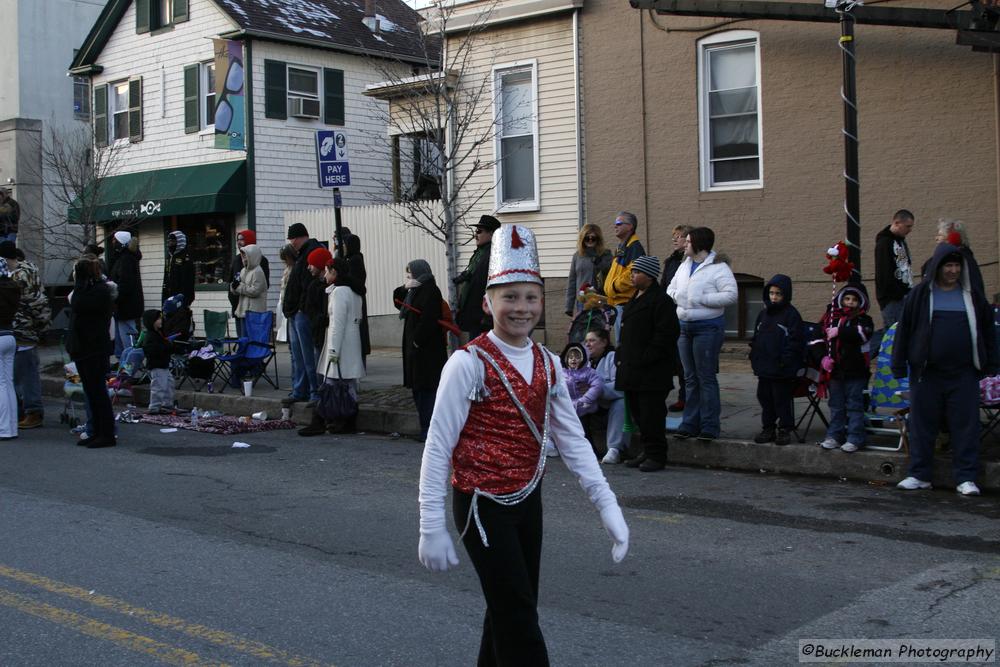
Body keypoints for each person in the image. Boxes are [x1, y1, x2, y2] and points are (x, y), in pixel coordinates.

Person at [418, 224, 629, 665]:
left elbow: (572, 440)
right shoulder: (467, 364)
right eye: (509, 296)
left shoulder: (549, 363)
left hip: (528, 500)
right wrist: (430, 523)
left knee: (510, 610)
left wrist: (607, 505)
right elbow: (438, 445)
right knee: (519, 620)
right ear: (487, 302)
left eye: (530, 296)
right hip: (481, 504)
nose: (521, 307)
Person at [892, 244, 997, 496]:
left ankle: (966, 477)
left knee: (966, 426)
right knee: (921, 424)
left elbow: (988, 332)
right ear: (937, 267)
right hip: (926, 373)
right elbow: (904, 331)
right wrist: (898, 363)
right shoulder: (919, 295)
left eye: (956, 266)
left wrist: (991, 363)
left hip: (964, 374)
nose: (952, 271)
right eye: (948, 266)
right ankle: (919, 474)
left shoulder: (972, 296)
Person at [667, 227, 737, 441]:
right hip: (684, 326)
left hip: (708, 326)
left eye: (688, 241)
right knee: (689, 378)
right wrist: (681, 297)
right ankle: (689, 423)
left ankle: (709, 426)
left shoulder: (719, 268)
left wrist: (702, 299)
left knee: (705, 377)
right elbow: (670, 289)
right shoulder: (683, 266)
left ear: (699, 244)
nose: (684, 244)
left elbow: (731, 295)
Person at [616, 255, 679, 472]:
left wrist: (647, 357)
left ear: (649, 276)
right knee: (639, 414)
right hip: (632, 369)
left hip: (651, 371)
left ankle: (657, 455)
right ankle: (646, 450)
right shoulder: (635, 297)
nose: (632, 276)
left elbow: (665, 335)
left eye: (637, 272)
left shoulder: (661, 301)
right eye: (632, 271)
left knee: (652, 414)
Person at [300, 257, 366, 436]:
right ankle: (347, 421)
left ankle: (321, 420)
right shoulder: (354, 291)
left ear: (334, 272)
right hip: (352, 342)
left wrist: (333, 350)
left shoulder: (339, 292)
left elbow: (336, 324)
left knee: (330, 383)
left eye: (328, 271)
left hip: (341, 344)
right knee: (348, 384)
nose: (326, 274)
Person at [393, 259, 448, 442]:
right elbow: (397, 300)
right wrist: (404, 286)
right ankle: (425, 427)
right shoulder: (414, 289)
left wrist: (417, 341)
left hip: (427, 350)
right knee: (418, 389)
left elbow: (428, 319)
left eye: (410, 273)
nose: (409, 276)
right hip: (416, 350)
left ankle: (429, 429)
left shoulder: (430, 290)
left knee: (426, 391)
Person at [818, 283, 874, 454]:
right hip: (836, 371)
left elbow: (862, 334)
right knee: (836, 405)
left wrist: (840, 331)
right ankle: (835, 435)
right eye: (847, 299)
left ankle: (855, 437)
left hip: (856, 371)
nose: (850, 303)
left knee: (854, 405)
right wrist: (824, 358)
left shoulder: (864, 320)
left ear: (860, 302)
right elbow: (821, 339)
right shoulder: (832, 318)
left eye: (854, 300)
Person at [67, 256, 116, 448]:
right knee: (91, 391)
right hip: (85, 348)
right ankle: (96, 430)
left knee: (98, 393)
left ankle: (106, 433)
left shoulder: (99, 292)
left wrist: (80, 283)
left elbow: (78, 303)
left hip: (94, 348)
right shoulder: (91, 291)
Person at [749, 275, 804, 446]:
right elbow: (757, 336)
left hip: (781, 368)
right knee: (765, 397)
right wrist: (754, 356)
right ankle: (768, 428)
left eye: (778, 294)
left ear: (785, 294)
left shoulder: (791, 315)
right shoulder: (763, 314)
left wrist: (785, 361)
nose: (774, 297)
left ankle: (785, 428)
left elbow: (795, 342)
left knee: (781, 399)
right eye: (771, 293)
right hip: (764, 366)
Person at [7, 245, 49, 430]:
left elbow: (17, 302)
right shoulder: (32, 272)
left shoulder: (17, 277)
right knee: (26, 373)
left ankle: (31, 411)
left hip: (20, 329)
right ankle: (29, 411)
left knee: (20, 376)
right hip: (30, 329)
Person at [282, 223, 323, 405]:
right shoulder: (303, 254)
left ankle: (312, 391)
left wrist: (300, 306)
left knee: (306, 355)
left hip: (301, 312)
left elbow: (306, 284)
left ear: (298, 237)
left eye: (292, 238)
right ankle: (301, 389)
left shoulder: (308, 253)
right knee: (299, 355)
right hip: (296, 310)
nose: (291, 242)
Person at [661, 225, 693, 412]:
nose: (675, 240)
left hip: (685, 314)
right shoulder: (671, 261)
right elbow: (664, 285)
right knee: (673, 358)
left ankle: (687, 396)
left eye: (680, 237)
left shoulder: (690, 262)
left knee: (685, 361)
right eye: (674, 236)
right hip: (671, 314)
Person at [583, 328, 628, 464]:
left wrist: (595, 390)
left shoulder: (613, 357)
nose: (588, 344)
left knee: (621, 402)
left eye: (592, 340)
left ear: (603, 342)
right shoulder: (585, 362)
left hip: (610, 407)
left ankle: (615, 449)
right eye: (586, 341)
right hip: (594, 407)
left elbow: (621, 386)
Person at [873, 209, 914, 351]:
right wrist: (897, 294)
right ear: (897, 223)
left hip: (903, 295)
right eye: (907, 226)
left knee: (899, 333)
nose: (910, 230)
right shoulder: (885, 243)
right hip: (893, 299)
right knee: (894, 335)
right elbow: (884, 273)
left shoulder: (900, 242)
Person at [454, 215, 499, 339]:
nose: (476, 235)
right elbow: (474, 275)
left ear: (491, 234)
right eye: (476, 231)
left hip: (483, 319)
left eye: (479, 231)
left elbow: (493, 287)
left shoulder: (493, 255)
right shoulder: (480, 253)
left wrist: (486, 317)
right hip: (473, 316)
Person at [603, 211, 645, 342]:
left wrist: (614, 287)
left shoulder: (634, 247)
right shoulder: (623, 247)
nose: (615, 226)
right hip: (617, 304)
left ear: (630, 226)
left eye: (619, 223)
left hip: (625, 304)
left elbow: (633, 274)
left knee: (624, 344)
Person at [228, 230, 270, 336]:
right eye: (238, 240)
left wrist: (240, 288)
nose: (239, 242)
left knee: (252, 341)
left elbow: (261, 287)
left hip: (252, 310)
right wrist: (233, 288)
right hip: (238, 306)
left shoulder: (261, 262)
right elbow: (232, 280)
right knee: (242, 340)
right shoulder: (237, 260)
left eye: (242, 239)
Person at [108, 230, 143, 359]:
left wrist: (116, 297)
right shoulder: (122, 258)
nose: (112, 242)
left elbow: (125, 284)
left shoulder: (126, 260)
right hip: (121, 305)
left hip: (126, 305)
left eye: (114, 240)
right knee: (119, 336)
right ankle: (122, 360)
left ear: (120, 243)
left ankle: (130, 362)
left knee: (127, 335)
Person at [565, 224, 612, 317]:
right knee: (583, 329)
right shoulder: (577, 256)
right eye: (587, 238)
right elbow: (572, 281)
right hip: (582, 301)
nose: (590, 240)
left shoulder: (606, 255)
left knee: (599, 329)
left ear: (598, 239)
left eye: (593, 238)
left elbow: (610, 276)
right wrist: (568, 306)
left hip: (600, 300)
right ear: (582, 239)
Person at [0, 258, 20, 440]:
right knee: (8, 383)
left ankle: (3, 428)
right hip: (9, 336)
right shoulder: (12, 289)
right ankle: (11, 427)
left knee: (0, 384)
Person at [142, 309, 175, 414]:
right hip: (157, 365)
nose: (160, 320)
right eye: (158, 319)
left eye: (160, 318)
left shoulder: (160, 333)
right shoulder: (151, 336)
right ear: (151, 321)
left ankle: (167, 404)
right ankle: (154, 407)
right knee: (158, 386)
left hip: (164, 364)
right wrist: (165, 346)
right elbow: (151, 350)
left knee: (169, 384)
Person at [344, 233, 371, 361]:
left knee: (359, 333)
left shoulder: (354, 260)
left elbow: (355, 281)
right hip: (356, 300)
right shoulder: (354, 259)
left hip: (355, 301)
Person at [560, 342, 602, 417]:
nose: (573, 359)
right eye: (570, 357)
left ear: (583, 358)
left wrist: (586, 399)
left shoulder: (588, 372)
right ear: (566, 359)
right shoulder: (562, 373)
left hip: (586, 407)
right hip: (569, 407)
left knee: (585, 426)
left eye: (577, 357)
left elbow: (597, 385)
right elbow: (557, 385)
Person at [230, 244, 268, 321]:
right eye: (242, 256)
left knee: (251, 333)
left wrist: (239, 287)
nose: (244, 258)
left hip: (254, 312)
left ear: (252, 256)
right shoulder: (243, 270)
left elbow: (255, 291)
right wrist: (233, 286)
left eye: (246, 256)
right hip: (243, 311)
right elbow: (238, 289)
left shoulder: (258, 271)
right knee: (242, 333)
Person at [162, 230, 195, 307]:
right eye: (169, 241)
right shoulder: (169, 257)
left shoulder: (185, 258)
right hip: (169, 295)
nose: (170, 244)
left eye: (173, 241)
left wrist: (185, 299)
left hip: (181, 297)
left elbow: (188, 280)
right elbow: (166, 276)